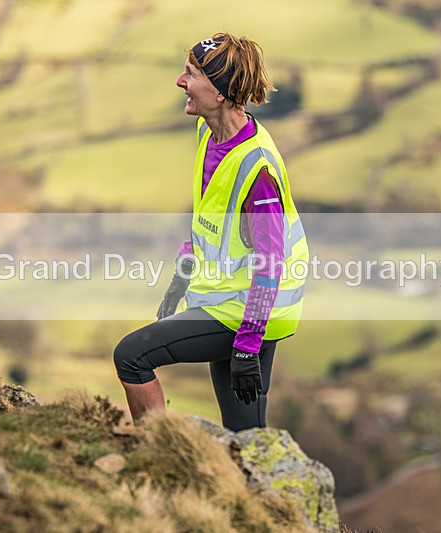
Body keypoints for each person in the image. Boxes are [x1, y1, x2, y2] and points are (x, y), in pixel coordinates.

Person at [113, 33, 308, 431]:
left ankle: (158, 450)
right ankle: (248, 474)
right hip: (228, 300)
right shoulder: (210, 135)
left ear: (220, 92)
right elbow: (209, 222)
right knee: (245, 431)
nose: (180, 81)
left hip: (251, 310)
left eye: (191, 73)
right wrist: (180, 279)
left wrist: (248, 343)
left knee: (131, 357)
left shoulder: (258, 170)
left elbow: (271, 262)